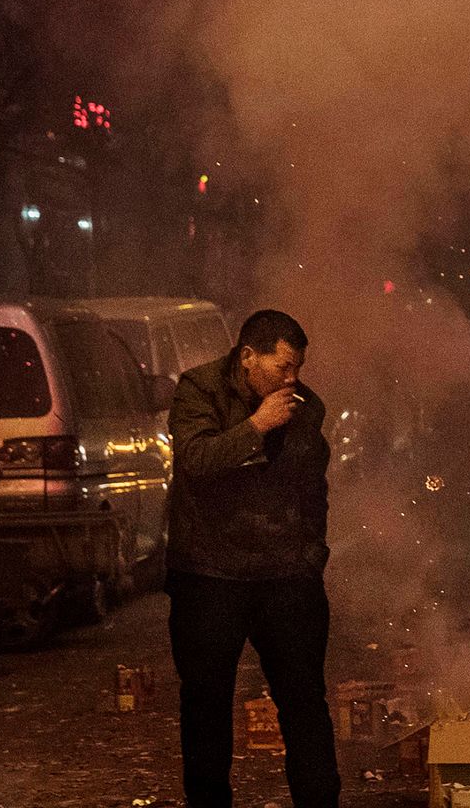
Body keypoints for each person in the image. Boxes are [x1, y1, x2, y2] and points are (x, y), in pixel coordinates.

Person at [166, 309, 337, 808]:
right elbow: (196, 462)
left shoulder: (307, 408)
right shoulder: (198, 390)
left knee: (304, 703)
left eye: (298, 368)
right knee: (205, 706)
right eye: (282, 368)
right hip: (209, 575)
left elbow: (313, 487)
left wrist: (312, 555)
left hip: (285, 577)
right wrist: (256, 425)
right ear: (247, 357)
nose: (293, 379)